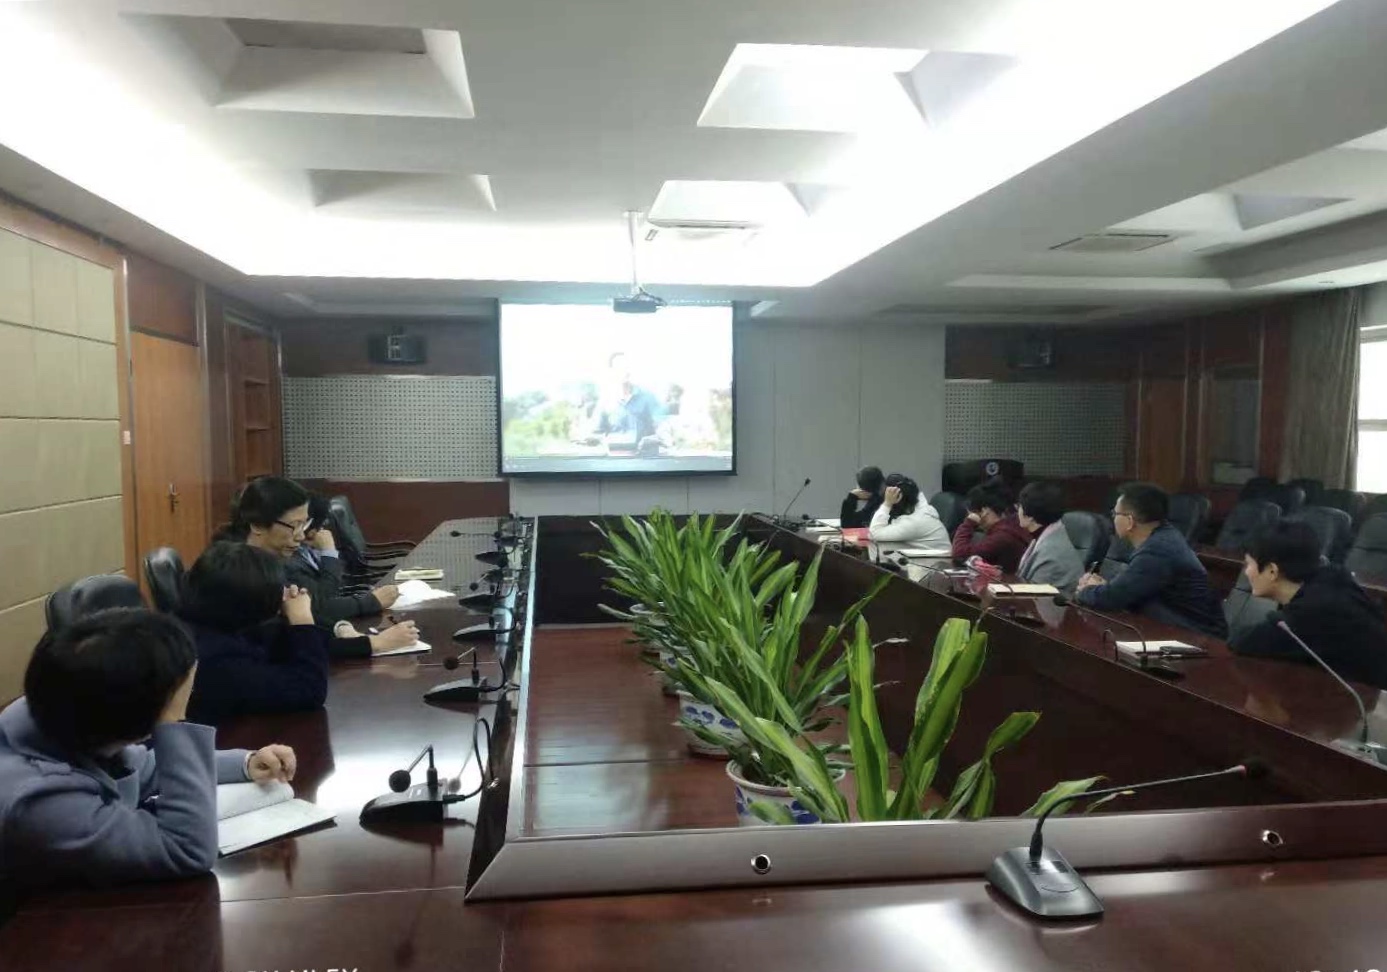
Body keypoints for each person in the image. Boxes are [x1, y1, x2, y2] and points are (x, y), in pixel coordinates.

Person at [0, 609, 296, 892]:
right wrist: (174, 721)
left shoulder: (69, 711)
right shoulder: (38, 801)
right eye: (182, 694)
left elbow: (142, 769)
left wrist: (245, 763)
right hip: (42, 919)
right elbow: (186, 850)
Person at [219, 479, 418, 658]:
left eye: (304, 525)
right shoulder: (237, 574)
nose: (300, 536)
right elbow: (285, 645)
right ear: (257, 525)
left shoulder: (265, 561)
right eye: (293, 525)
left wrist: (340, 627)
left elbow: (310, 615)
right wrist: (373, 644)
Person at [178, 542, 332, 726]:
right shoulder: (218, 660)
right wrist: (303, 622)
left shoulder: (207, 622)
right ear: (252, 604)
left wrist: (293, 620)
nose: (284, 592)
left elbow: (272, 646)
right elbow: (309, 689)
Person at [1231, 521, 1387, 688]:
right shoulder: (1332, 584)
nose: (1246, 572)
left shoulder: (1316, 609)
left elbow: (1242, 642)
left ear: (1272, 571)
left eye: (1249, 564)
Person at [1075, 483, 1227, 637]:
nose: (1113, 518)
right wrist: (1103, 589)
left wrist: (1086, 590)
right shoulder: (1163, 537)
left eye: (1115, 513)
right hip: (1176, 628)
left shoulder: (1158, 550)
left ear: (1129, 521)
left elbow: (1111, 598)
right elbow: (1126, 591)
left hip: (1198, 637)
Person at [1015, 481, 1085, 595]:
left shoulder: (1052, 554)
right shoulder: (1050, 534)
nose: (1017, 511)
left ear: (1029, 515)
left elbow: (1031, 597)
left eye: (1019, 507)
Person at [951, 480, 1031, 573]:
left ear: (985, 511)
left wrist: (968, 523)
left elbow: (960, 554)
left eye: (972, 513)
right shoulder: (1013, 526)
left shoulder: (1002, 536)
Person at [868, 474, 949, 552]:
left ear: (898, 500)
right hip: (928, 558)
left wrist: (887, 504)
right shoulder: (917, 510)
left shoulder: (914, 521)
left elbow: (874, 533)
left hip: (936, 561)